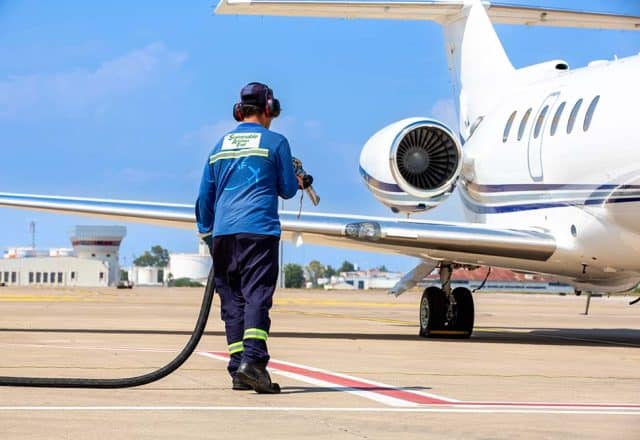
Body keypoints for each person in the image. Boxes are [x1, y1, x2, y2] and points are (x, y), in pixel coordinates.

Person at [196, 82, 311, 394]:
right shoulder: (276, 142)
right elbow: (287, 189)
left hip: (222, 233)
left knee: (232, 300)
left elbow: (204, 198)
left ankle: (238, 369)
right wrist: (298, 180)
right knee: (257, 294)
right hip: (258, 230)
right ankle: (254, 363)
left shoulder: (218, 146)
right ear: (268, 109)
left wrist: (208, 234)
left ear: (238, 111)